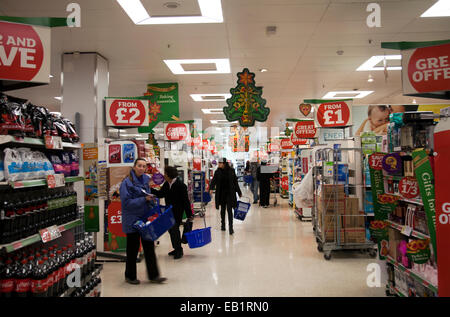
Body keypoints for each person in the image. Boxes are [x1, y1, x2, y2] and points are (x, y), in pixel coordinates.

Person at [120, 158, 166, 285]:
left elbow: (147, 195)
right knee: (133, 249)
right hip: (132, 220)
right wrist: (144, 199)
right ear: (134, 166)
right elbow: (126, 203)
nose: (141, 168)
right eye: (139, 165)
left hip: (145, 219)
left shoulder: (146, 180)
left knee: (149, 247)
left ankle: (154, 275)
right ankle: (130, 276)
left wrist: (151, 202)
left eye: (144, 166)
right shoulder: (127, 182)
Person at [151, 166, 193, 259]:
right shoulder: (167, 184)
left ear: (169, 175)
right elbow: (161, 194)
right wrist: (150, 189)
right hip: (168, 211)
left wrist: (189, 214)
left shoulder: (181, 185)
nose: (164, 175)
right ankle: (176, 248)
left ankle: (179, 250)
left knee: (174, 230)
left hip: (177, 211)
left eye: (165, 173)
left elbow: (186, 201)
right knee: (171, 230)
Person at [209, 158, 242, 235]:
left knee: (230, 210)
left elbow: (235, 182)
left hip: (230, 193)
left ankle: (231, 227)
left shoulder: (231, 171)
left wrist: (239, 192)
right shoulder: (217, 172)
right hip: (221, 194)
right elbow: (214, 181)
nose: (219, 164)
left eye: (220, 163)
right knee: (222, 210)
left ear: (224, 163)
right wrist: (211, 188)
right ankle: (223, 225)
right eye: (219, 163)